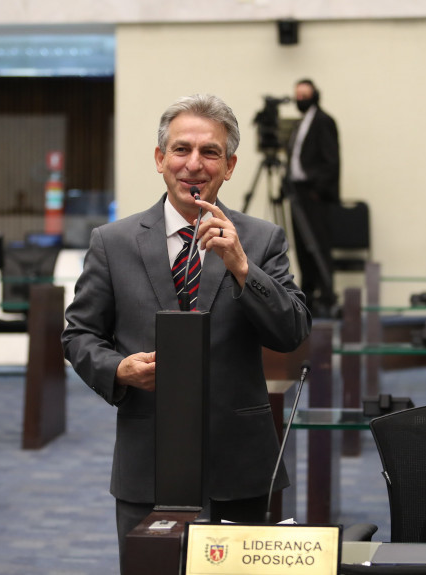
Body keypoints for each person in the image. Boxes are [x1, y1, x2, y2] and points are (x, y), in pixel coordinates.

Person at [61, 94, 311, 573]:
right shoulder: (112, 243)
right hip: (148, 461)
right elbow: (79, 335)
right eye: (181, 150)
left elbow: (291, 332)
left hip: (240, 465)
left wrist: (242, 267)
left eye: (210, 152)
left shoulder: (261, 240)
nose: (194, 165)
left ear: (230, 165)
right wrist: (119, 368)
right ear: (160, 159)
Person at [284, 78, 340, 317]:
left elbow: (331, 160)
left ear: (315, 95)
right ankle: (307, 294)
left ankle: (326, 295)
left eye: (305, 95)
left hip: (314, 194)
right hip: (297, 192)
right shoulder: (300, 124)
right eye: (298, 95)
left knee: (318, 244)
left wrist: (318, 188)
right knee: (302, 246)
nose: (301, 99)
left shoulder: (323, 121)